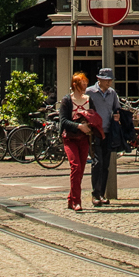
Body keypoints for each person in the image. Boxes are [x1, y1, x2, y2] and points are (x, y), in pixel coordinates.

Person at [56, 73, 101, 211]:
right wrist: (79, 126)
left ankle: (71, 199)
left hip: (84, 138)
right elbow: (63, 121)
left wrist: (91, 126)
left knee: (80, 170)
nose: (85, 86)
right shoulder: (67, 100)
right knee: (75, 166)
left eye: (86, 83)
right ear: (75, 85)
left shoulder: (88, 100)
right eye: (82, 84)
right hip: (70, 138)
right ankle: (76, 201)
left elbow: (93, 115)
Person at [84, 68, 126, 206]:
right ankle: (95, 194)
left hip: (108, 132)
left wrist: (117, 115)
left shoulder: (112, 93)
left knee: (106, 164)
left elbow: (116, 108)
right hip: (95, 132)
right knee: (98, 162)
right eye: (106, 80)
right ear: (99, 79)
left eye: (110, 80)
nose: (109, 83)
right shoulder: (90, 92)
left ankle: (102, 194)